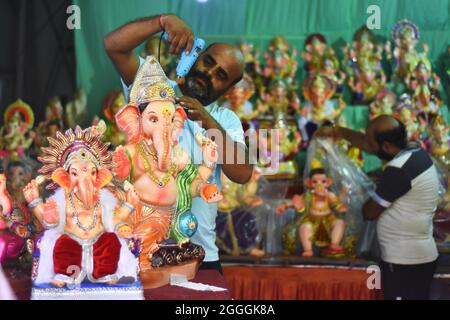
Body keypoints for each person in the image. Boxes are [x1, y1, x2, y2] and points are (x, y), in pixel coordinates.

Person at [104, 14, 254, 274]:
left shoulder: (224, 119)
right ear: (196, 56)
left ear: (228, 89)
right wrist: (162, 22)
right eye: (208, 61)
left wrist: (207, 120)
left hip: (199, 257)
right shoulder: (154, 89)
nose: (208, 73)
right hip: (140, 250)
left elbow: (242, 173)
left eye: (220, 75)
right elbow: (114, 45)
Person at [316, 115, 440, 300]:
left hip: (405, 261)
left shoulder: (399, 169)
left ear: (387, 147)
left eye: (370, 141)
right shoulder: (414, 151)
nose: (366, 144)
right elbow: (370, 145)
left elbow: (369, 212)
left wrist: (360, 193)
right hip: (418, 255)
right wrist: (338, 131)